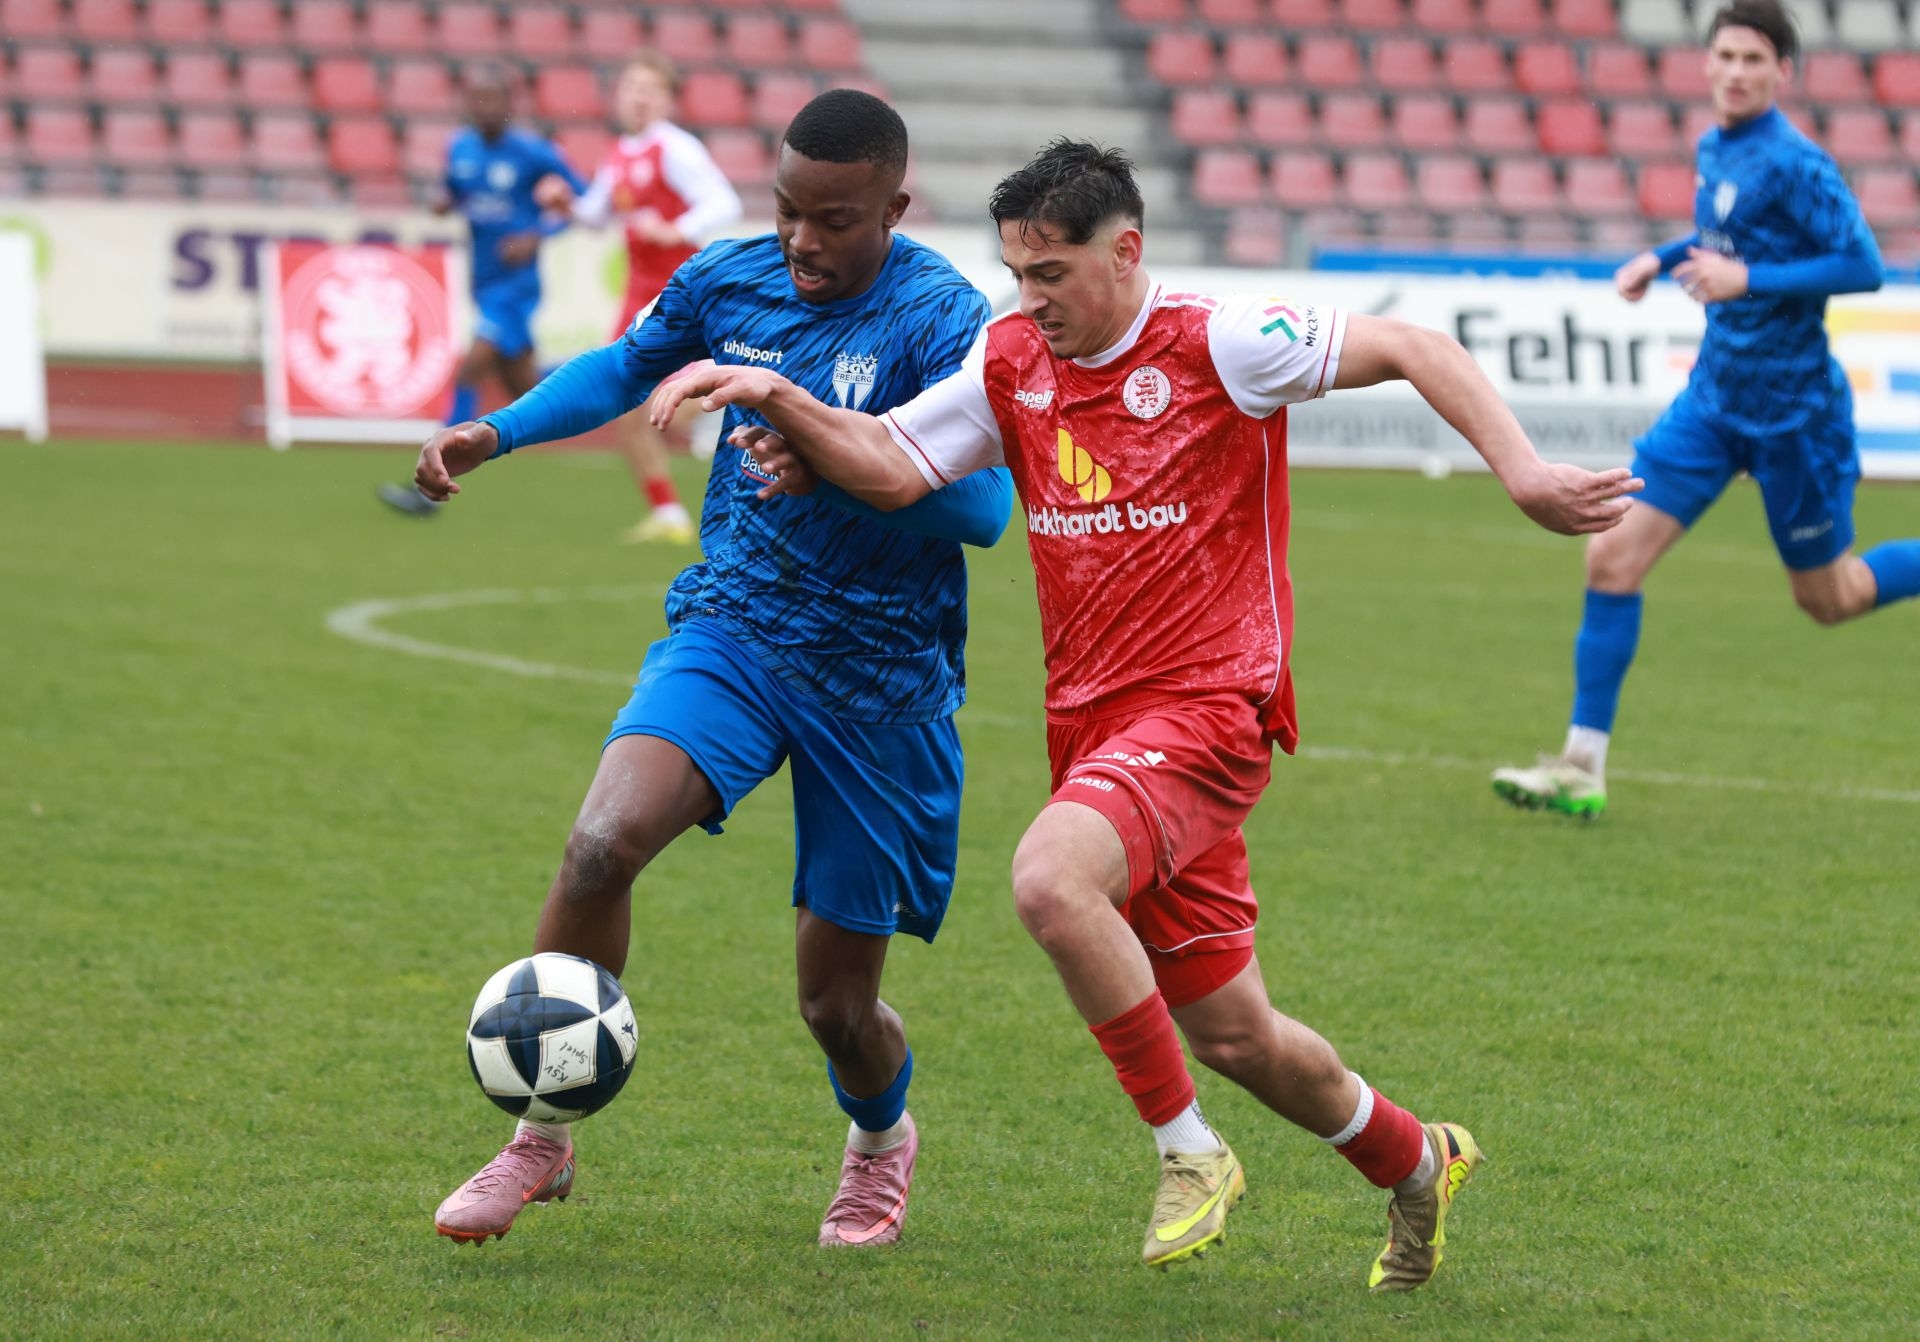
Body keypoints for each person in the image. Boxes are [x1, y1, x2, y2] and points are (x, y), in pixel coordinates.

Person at [651, 140, 1639, 1287]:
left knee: (1047, 879)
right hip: (1099, 731)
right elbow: (894, 462)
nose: (1032, 300)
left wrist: (1519, 469)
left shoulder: (1221, 341)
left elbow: (1412, 343)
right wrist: (778, 393)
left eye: (1054, 274)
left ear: (1126, 252)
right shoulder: (1012, 359)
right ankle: (1416, 1158)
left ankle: (1188, 1154)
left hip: (1212, 710)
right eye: (1019, 274)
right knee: (1235, 1034)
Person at [419, 90, 1015, 1251]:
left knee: (836, 1008)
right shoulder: (728, 278)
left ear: (894, 208)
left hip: (878, 680)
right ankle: (541, 1133)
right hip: (736, 628)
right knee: (600, 844)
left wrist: (827, 458)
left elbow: (986, 507)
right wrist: (495, 432)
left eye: (836, 220)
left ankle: (881, 1140)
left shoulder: (945, 320)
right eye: (789, 211)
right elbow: (623, 369)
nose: (803, 241)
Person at [1490, 0, 1918, 818]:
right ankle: (1582, 765)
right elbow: (1721, 243)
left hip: (1796, 415)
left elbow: (1863, 265)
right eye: (1725, 56)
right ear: (1707, 63)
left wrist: (1747, 282)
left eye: (1754, 59)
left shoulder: (1798, 162)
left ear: (1782, 73)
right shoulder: (1714, 146)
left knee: (1830, 599)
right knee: (1610, 559)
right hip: (1714, 402)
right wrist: (1656, 259)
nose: (1736, 72)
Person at [542, 52, 743, 544]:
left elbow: (725, 202)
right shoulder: (620, 152)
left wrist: (675, 227)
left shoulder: (675, 149)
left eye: (649, 88)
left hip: (679, 289)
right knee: (624, 402)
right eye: (631, 86)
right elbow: (597, 216)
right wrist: (566, 205)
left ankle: (716, 415)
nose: (638, 96)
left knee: (651, 401)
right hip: (638, 291)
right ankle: (668, 512)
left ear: (666, 99)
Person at [379, 64, 587, 517]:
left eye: (494, 98)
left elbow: (583, 201)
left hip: (517, 285)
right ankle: (591, 401)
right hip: (484, 279)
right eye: (477, 98)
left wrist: (538, 234)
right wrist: (444, 203)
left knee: (470, 369)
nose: (485, 107)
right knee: (524, 386)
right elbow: (453, 191)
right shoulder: (460, 148)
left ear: (510, 105)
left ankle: (431, 481)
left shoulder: (533, 152)